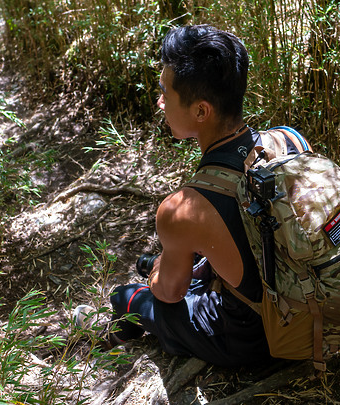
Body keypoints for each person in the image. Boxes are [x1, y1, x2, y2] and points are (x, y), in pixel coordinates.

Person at [104, 25, 308, 367]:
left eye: (165, 93)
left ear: (201, 111)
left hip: (258, 342)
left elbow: (170, 293)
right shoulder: (289, 140)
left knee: (126, 295)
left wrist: (156, 274)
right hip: (311, 309)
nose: (160, 102)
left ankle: (129, 315)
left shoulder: (182, 209)